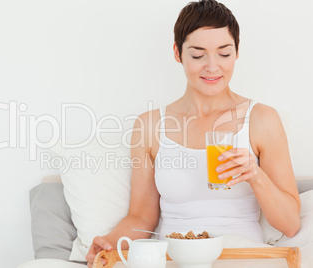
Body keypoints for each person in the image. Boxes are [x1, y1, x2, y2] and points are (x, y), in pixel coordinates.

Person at [85, 0, 301, 266]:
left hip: (240, 257)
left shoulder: (261, 119)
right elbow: (141, 216)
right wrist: (107, 244)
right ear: (178, 53)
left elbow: (290, 224)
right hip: (175, 257)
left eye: (224, 53)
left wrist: (255, 176)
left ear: (236, 52)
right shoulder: (149, 126)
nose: (212, 67)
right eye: (198, 55)